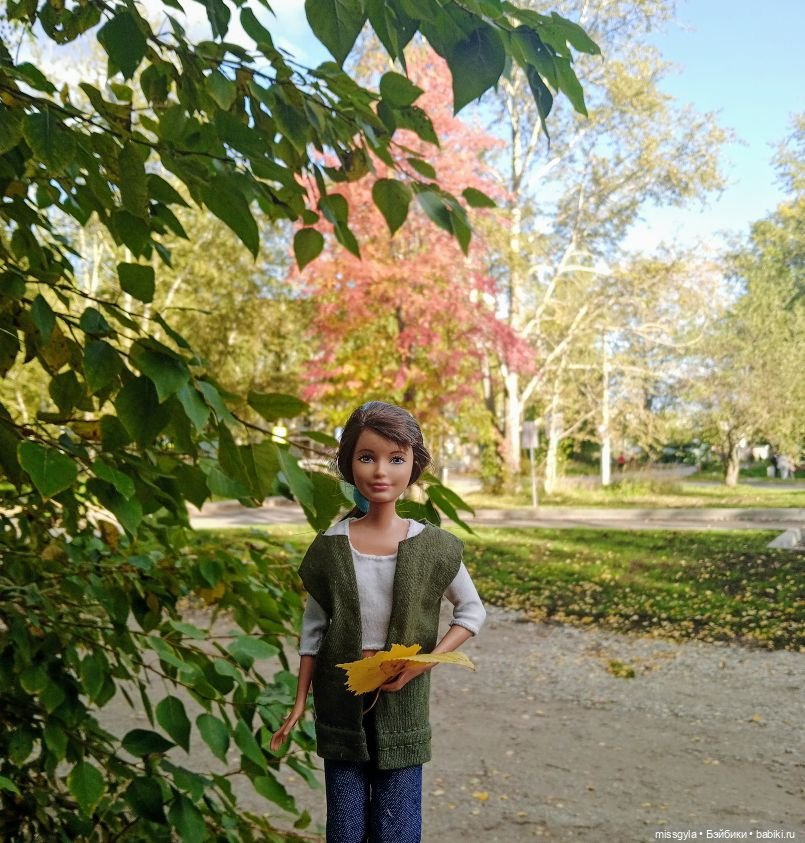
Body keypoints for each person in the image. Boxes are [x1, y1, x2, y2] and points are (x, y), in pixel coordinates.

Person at [270, 401, 486, 843]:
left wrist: (423, 664)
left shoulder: (436, 547)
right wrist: (299, 701)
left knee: (398, 823)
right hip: (340, 698)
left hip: (402, 699)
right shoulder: (330, 546)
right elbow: (313, 631)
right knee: (345, 825)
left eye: (396, 459)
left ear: (414, 465)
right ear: (349, 464)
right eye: (367, 457)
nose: (381, 471)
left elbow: (471, 611)